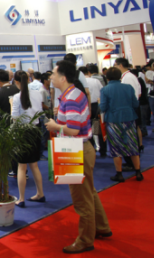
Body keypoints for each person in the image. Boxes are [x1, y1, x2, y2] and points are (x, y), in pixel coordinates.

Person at [46, 60, 111, 254]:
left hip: (75, 149)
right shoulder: (73, 94)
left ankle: (85, 240)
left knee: (82, 199)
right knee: (89, 192)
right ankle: (101, 227)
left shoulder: (71, 98)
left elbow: (73, 130)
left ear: (63, 78)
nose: (51, 77)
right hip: (79, 148)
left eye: (54, 74)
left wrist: (55, 126)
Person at [99, 67, 143, 183]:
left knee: (115, 147)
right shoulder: (128, 87)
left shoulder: (105, 90)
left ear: (107, 77)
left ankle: (119, 174)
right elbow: (135, 104)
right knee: (133, 145)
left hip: (113, 120)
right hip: (129, 119)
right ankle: (138, 172)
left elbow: (103, 107)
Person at [11, 70, 45, 207]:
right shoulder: (37, 93)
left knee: (21, 167)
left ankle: (21, 199)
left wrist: (11, 104)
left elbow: (14, 118)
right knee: (34, 165)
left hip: (22, 132)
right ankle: (40, 194)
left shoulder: (16, 97)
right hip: (35, 130)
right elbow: (40, 112)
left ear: (16, 82)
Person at [115, 58, 144, 169]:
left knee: (129, 136)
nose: (115, 67)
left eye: (115, 65)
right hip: (130, 108)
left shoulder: (128, 77)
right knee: (131, 134)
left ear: (120, 65)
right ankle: (132, 161)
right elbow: (138, 93)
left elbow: (133, 95)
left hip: (129, 109)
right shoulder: (129, 76)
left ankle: (133, 162)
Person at [0, 69, 21, 177]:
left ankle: (15, 170)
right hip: (19, 122)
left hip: (6, 124)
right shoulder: (17, 89)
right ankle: (22, 170)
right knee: (19, 146)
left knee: (10, 148)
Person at [82, 66, 105, 155]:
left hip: (85, 106)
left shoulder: (81, 82)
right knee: (100, 128)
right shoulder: (96, 81)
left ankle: (91, 149)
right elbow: (102, 91)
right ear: (88, 72)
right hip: (97, 105)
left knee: (88, 128)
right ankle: (103, 150)